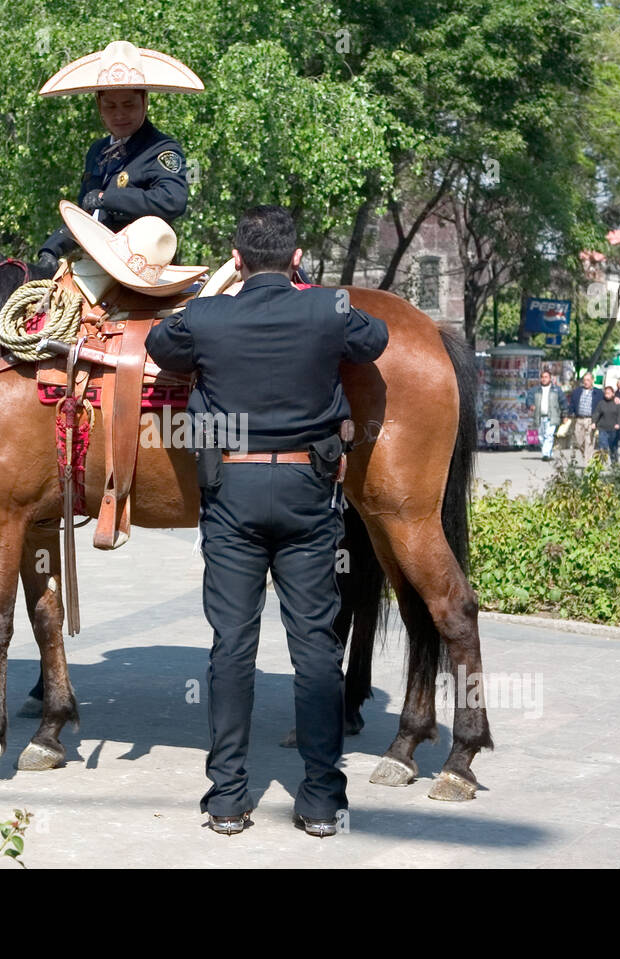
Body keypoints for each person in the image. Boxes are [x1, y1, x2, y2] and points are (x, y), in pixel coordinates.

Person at [145, 205, 388, 838]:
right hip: (310, 492)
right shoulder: (327, 306)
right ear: (298, 260)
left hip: (232, 493)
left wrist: (214, 291)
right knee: (315, 646)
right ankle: (320, 800)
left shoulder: (205, 315)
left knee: (232, 644)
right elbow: (374, 341)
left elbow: (157, 344)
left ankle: (227, 798)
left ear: (237, 259)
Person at [35, 41, 201, 269]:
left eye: (128, 105)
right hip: (95, 261)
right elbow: (86, 215)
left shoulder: (162, 149)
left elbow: (173, 200)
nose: (120, 114)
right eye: (111, 107)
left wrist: (107, 199)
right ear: (99, 106)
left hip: (142, 265)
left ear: (144, 102)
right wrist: (51, 249)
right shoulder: (97, 151)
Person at [527, 369, 566, 462]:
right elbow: (529, 399)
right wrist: (531, 405)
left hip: (552, 416)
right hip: (539, 416)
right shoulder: (535, 390)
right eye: (542, 377)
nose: (544, 379)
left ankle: (545, 454)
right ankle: (548, 452)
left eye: (546, 377)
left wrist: (565, 414)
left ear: (550, 378)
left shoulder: (556, 390)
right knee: (541, 436)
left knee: (549, 435)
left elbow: (563, 402)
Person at [567, 372, 599, 465]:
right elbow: (572, 404)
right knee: (579, 441)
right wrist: (569, 414)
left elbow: (602, 405)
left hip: (590, 420)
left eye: (588, 380)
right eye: (584, 380)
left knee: (589, 441)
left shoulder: (598, 392)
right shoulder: (577, 391)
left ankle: (588, 463)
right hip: (579, 419)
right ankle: (587, 456)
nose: (586, 382)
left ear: (592, 380)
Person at [591, 384, 620, 466]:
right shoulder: (601, 403)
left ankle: (615, 463)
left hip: (613, 428)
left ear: (613, 394)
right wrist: (594, 422)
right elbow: (596, 413)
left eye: (609, 393)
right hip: (602, 428)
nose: (607, 395)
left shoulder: (616, 403)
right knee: (603, 446)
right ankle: (601, 463)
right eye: (605, 393)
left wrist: (618, 424)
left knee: (613, 447)